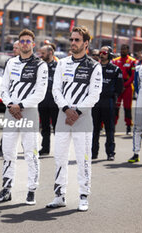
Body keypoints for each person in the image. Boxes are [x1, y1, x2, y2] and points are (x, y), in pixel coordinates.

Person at [46, 26, 102, 211]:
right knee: (60, 157)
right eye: (71, 40)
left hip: (83, 119)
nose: (73, 43)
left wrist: (76, 112)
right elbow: (56, 90)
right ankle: (59, 195)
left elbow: (94, 95)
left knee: (83, 158)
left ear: (86, 43)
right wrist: (65, 109)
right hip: (63, 117)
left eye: (77, 40)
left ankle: (83, 196)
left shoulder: (94, 66)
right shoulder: (62, 63)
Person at [0, 29, 48, 205]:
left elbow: (40, 93)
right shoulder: (11, 62)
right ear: (18, 44)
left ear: (33, 44)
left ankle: (31, 190)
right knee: (8, 151)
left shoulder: (40, 65)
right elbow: (4, 87)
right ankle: (7, 188)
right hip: (11, 112)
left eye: (28, 41)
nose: (24, 44)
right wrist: (11, 105)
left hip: (29, 112)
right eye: (22, 41)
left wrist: (21, 106)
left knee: (31, 153)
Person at [92, 46, 123, 161]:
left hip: (108, 101)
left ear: (109, 54)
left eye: (104, 52)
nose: (102, 54)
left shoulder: (115, 69)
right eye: (100, 52)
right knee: (94, 128)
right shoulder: (94, 68)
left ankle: (110, 153)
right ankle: (93, 152)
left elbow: (119, 88)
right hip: (95, 101)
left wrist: (113, 97)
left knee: (109, 128)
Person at [0, 40, 20, 153]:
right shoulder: (9, 61)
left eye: (16, 48)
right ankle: (3, 145)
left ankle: (28, 148)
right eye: (13, 48)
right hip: (11, 98)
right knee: (8, 124)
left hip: (24, 100)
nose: (14, 50)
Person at [38, 44, 58, 155]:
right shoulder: (40, 66)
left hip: (54, 101)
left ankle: (60, 149)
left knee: (56, 127)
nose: (41, 55)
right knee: (44, 126)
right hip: (43, 100)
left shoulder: (58, 66)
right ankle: (45, 148)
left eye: (43, 53)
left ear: (50, 53)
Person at [112, 44, 136, 134]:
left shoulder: (132, 61)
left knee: (127, 107)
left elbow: (133, 76)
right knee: (115, 107)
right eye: (121, 49)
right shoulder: (115, 61)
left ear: (128, 50)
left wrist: (125, 85)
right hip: (118, 87)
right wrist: (118, 86)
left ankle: (128, 126)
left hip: (128, 87)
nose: (122, 51)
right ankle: (113, 126)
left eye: (124, 49)